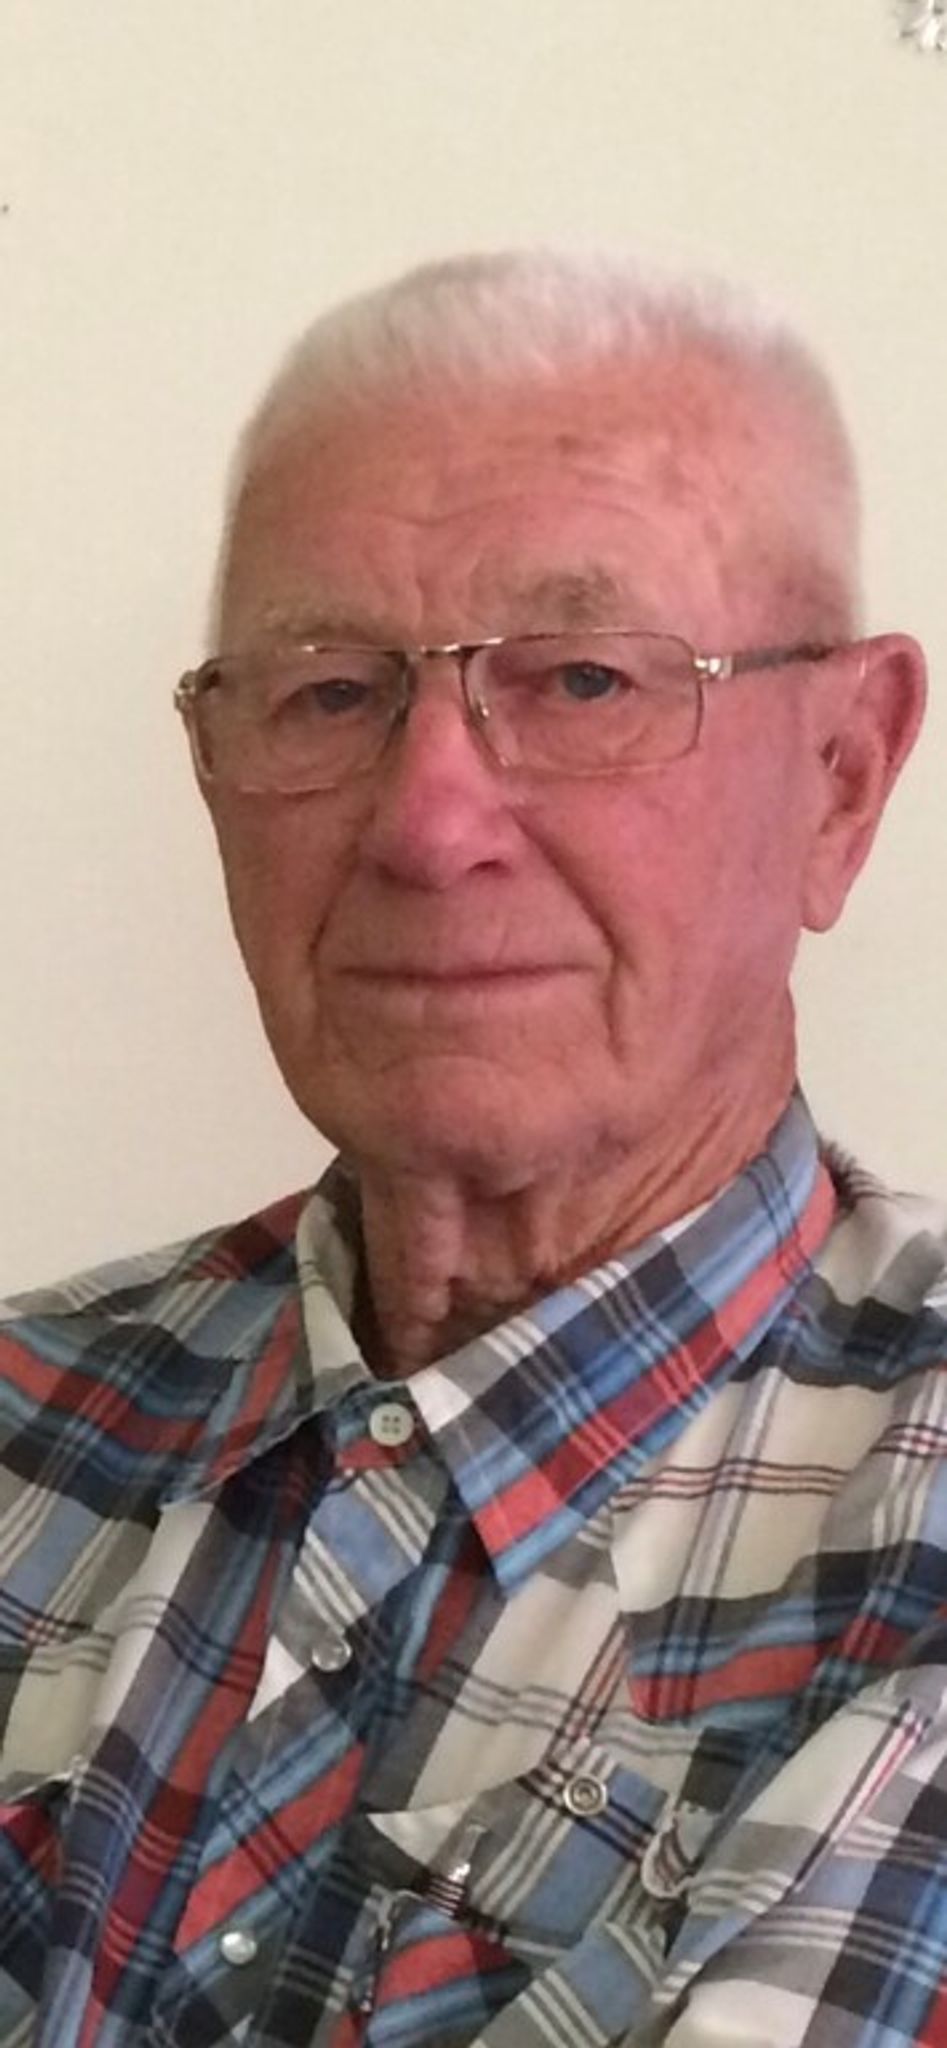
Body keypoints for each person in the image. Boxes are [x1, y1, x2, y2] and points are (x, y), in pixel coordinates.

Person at [1, 250, 944, 2048]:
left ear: (843, 774)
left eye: (584, 679)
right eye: (328, 692)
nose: (430, 824)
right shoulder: (24, 1417)